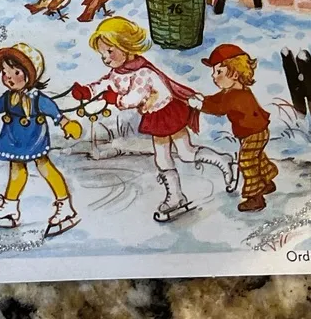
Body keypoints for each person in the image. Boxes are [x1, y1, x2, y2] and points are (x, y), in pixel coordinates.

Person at [71, 17, 236, 222]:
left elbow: (135, 97)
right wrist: (87, 91)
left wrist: (116, 99)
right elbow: (106, 83)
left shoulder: (143, 72)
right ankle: (176, 196)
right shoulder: (118, 72)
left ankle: (223, 160)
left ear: (125, 47)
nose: (105, 58)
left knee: (186, 153)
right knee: (163, 157)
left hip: (168, 112)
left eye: (110, 51)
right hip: (155, 116)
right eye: (102, 53)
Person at [0, 42, 82, 236]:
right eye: (4, 72)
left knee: (44, 166)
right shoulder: (9, 97)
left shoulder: (37, 98)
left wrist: (66, 123)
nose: (8, 77)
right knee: (16, 168)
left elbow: (52, 109)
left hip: (34, 137)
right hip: (14, 137)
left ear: (30, 74)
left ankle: (65, 204)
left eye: (15, 72)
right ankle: (10, 205)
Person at [191, 44, 276, 212]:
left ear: (235, 74)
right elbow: (217, 99)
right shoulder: (233, 91)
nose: (214, 76)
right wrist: (203, 99)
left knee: (247, 161)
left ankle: (255, 197)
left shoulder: (236, 96)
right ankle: (267, 182)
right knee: (257, 156)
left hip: (254, 133)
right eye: (214, 72)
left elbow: (219, 108)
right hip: (256, 131)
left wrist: (200, 105)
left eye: (219, 72)